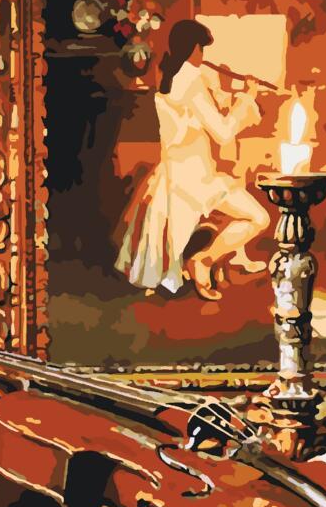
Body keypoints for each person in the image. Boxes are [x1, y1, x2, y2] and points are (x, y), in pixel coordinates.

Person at [114, 19, 271, 300]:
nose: (203, 55)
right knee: (259, 218)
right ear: (193, 48)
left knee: (240, 201)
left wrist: (230, 96)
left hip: (179, 175)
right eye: (201, 49)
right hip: (195, 181)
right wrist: (247, 98)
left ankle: (229, 258)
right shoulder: (191, 80)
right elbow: (223, 133)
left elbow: (195, 114)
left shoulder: (171, 75)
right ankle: (204, 261)